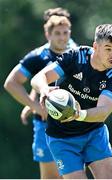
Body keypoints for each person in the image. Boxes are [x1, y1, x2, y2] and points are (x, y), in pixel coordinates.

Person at [31, 24, 112, 179]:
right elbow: (37, 79)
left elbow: (103, 112)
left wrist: (77, 114)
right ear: (95, 46)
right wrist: (44, 89)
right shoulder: (76, 57)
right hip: (61, 138)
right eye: (108, 48)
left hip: (93, 134)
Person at [4, 14, 74, 179]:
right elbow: (11, 83)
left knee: (74, 175)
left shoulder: (76, 54)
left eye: (65, 33)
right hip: (46, 125)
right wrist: (34, 106)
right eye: (57, 33)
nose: (62, 37)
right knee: (51, 177)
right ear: (48, 34)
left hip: (73, 124)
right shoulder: (37, 57)